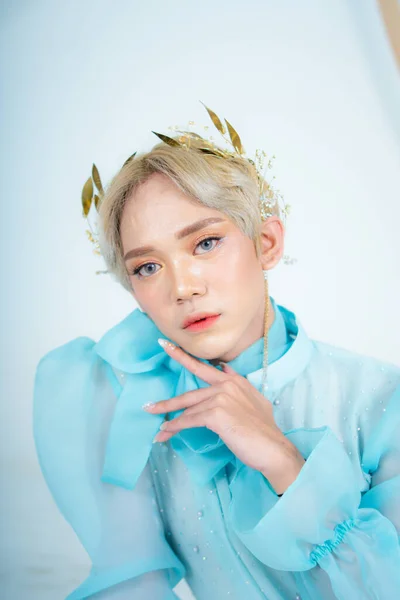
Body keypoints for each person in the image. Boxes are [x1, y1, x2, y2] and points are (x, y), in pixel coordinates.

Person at [33, 109, 400, 600]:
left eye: (205, 242)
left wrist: (284, 461)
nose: (183, 287)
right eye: (147, 267)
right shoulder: (129, 409)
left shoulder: (379, 398)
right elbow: (131, 587)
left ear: (266, 244)